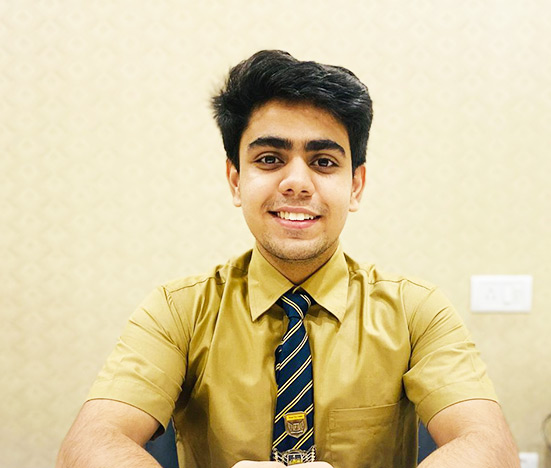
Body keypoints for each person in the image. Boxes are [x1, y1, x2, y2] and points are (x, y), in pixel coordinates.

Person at [56, 50, 520, 468]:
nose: (297, 182)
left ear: (355, 186)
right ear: (235, 180)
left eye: (323, 162)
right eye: (269, 159)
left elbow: (490, 448)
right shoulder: (177, 311)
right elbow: (90, 445)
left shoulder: (417, 311)